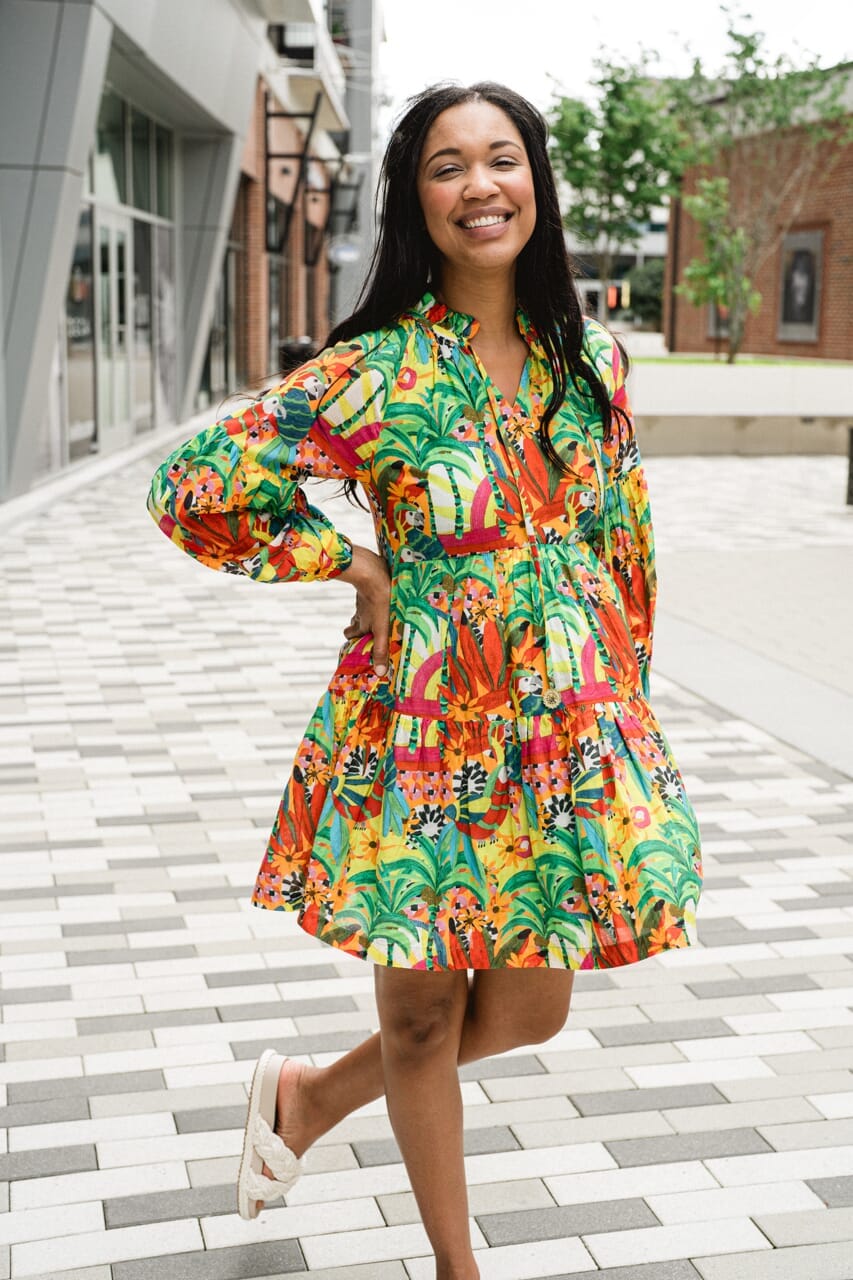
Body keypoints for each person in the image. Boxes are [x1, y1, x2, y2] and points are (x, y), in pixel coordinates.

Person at [148, 81, 702, 1280]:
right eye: (446, 167)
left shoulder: (590, 359)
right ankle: (459, 1267)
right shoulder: (376, 369)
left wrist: (626, 709)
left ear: (537, 186)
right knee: (418, 1012)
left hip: (562, 728)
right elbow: (192, 483)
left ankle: (305, 1096)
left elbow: (627, 541)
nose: (479, 185)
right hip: (421, 729)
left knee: (529, 1007)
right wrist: (347, 560)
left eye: (501, 159)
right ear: (417, 200)